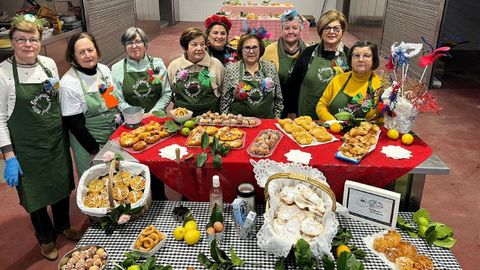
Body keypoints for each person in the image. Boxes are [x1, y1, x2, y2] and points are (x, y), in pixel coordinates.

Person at [0, 14, 81, 261]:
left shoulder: (48, 64)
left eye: (33, 39)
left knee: (60, 186)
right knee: (35, 196)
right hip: (27, 148)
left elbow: (55, 95)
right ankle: (45, 238)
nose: (28, 44)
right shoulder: (3, 74)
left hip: (55, 142)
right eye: (21, 39)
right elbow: (0, 119)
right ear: (11, 41)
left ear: (39, 41)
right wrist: (9, 155)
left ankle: (63, 225)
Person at [60, 32, 122, 178]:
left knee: (118, 179)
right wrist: (95, 150)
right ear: (73, 57)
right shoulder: (69, 83)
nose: (87, 55)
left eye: (90, 50)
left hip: (112, 137)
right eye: (81, 52)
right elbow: (74, 124)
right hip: (88, 142)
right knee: (97, 183)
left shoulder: (104, 70)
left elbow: (113, 102)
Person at [287, 10, 349, 119]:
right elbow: (293, 83)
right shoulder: (308, 52)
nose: (332, 32)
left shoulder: (349, 55)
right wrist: (292, 111)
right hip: (306, 114)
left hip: (336, 116)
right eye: (327, 28)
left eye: (336, 28)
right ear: (320, 30)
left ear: (342, 31)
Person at [220, 33, 283, 118]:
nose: (251, 51)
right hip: (240, 125)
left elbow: (278, 99)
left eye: (255, 47)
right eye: (247, 48)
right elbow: (225, 101)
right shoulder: (231, 69)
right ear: (240, 50)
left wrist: (274, 121)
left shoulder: (270, 68)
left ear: (260, 49)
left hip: (266, 124)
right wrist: (228, 123)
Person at [112, 27, 172, 115]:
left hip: (157, 116)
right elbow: (118, 99)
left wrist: (152, 113)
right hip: (131, 118)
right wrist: (135, 114)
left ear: (145, 44)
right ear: (124, 47)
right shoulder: (117, 68)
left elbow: (166, 93)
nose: (134, 46)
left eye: (138, 41)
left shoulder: (157, 64)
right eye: (129, 43)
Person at [316, 40, 382, 121]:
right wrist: (333, 123)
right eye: (356, 56)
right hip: (331, 131)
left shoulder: (380, 86)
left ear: (374, 60)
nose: (361, 59)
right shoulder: (338, 79)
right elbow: (321, 106)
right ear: (350, 60)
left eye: (366, 56)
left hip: (363, 133)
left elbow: (381, 117)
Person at [167, 27, 224, 116]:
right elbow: (169, 91)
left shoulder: (216, 65)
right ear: (185, 47)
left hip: (210, 118)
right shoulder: (174, 65)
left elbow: (222, 91)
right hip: (181, 117)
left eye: (202, 44)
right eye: (194, 44)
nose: (199, 48)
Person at [262, 9, 306, 117]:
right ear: (281, 30)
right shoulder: (270, 50)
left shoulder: (308, 51)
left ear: (301, 30)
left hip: (299, 102)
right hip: (275, 103)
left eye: (295, 28)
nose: (291, 31)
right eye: (287, 28)